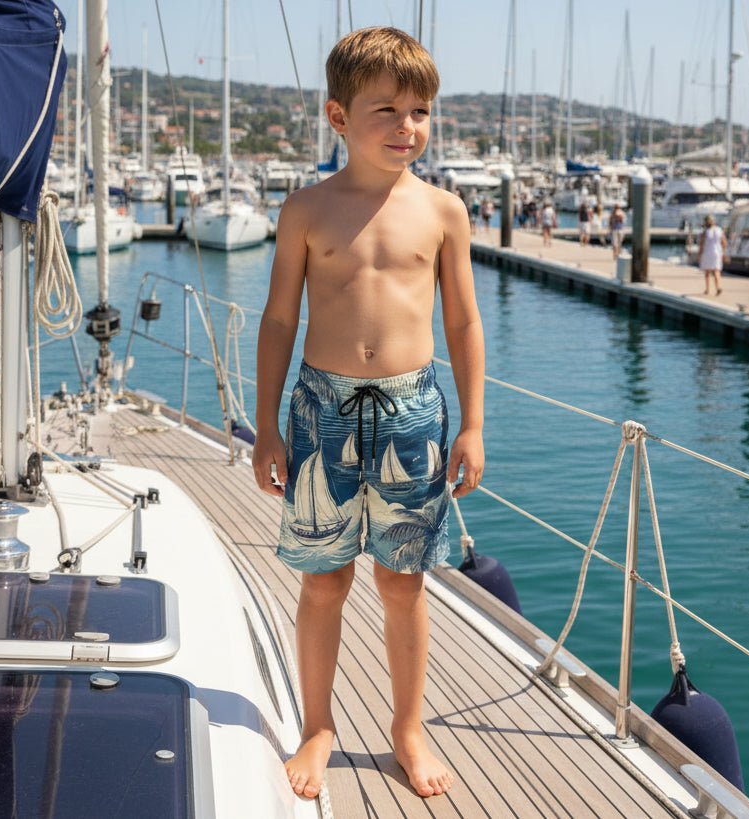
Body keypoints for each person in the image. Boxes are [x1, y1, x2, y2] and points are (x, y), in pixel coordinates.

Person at [252, 26, 484, 802]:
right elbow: (279, 319)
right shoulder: (306, 209)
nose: (406, 125)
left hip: (414, 412)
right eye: (385, 109)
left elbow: (462, 324)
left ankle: (407, 724)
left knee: (403, 582)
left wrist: (475, 423)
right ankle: (319, 724)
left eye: (419, 110)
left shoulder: (444, 211)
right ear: (338, 116)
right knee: (323, 582)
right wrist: (266, 423)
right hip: (320, 411)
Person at [698, 214, 727, 295]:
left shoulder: (705, 232)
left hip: (707, 252)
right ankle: (718, 287)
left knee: (707, 272)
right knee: (716, 271)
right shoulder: (719, 230)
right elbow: (724, 242)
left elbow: (701, 244)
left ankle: (707, 289)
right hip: (717, 253)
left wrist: (699, 255)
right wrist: (723, 252)